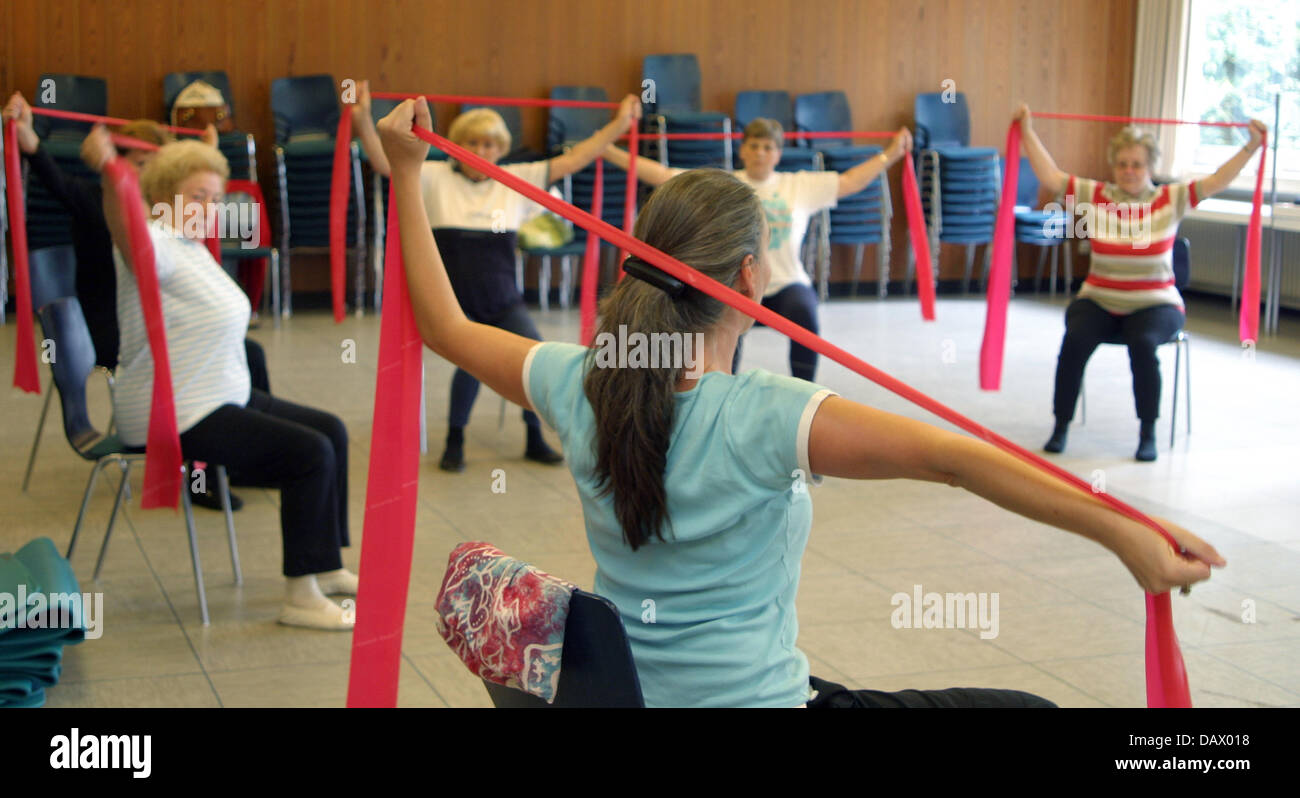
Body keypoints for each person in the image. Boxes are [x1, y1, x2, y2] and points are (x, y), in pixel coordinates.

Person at [377, 97, 1224, 707]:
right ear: (749, 280)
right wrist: (1127, 538)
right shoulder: (768, 415)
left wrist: (407, 177)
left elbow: (445, 326)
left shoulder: (577, 381)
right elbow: (959, 460)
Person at [82, 126, 356, 630]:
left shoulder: (190, 245)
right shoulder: (153, 244)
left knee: (333, 430)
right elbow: (124, 226)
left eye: (215, 198)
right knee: (309, 453)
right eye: (196, 196)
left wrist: (204, 147)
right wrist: (109, 174)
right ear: (163, 199)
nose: (209, 207)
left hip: (222, 394)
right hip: (176, 409)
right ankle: (301, 596)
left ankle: (326, 562)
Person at [351, 81, 641, 471]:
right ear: (457, 145)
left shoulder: (514, 180)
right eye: (472, 143)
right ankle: (455, 440)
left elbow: (574, 160)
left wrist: (620, 124)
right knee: (471, 365)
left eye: (489, 145)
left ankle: (534, 437)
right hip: (455, 307)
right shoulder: (433, 175)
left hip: (504, 301)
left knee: (536, 359)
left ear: (501, 150)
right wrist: (362, 118)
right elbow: (385, 162)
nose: (481, 152)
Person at [3, 92, 271, 508]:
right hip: (113, 328)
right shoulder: (104, 204)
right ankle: (205, 477)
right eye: (141, 166)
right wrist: (28, 137)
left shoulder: (165, 213)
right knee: (205, 364)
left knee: (246, 351)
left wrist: (206, 158)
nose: (147, 177)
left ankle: (241, 455)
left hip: (165, 321)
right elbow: (54, 179)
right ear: (121, 165)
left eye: (158, 168)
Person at [1014, 103, 1267, 461]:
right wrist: (1026, 131)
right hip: (1100, 298)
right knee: (1075, 340)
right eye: (1122, 164)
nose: (1129, 171)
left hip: (1156, 303)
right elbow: (1052, 177)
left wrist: (1250, 147)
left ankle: (1147, 431)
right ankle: (1060, 426)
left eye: (1137, 164)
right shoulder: (1094, 194)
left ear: (1150, 167)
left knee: (1143, 344)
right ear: (1113, 166)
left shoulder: (1172, 197)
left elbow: (1216, 181)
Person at [602, 118, 912, 381]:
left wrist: (892, 154)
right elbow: (664, 175)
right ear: (742, 149)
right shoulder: (723, 184)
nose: (760, 153)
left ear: (778, 153)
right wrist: (608, 150)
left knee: (806, 318)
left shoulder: (798, 186)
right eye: (754, 145)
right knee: (720, 328)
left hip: (785, 284)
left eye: (768, 147)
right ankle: (721, 390)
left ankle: (804, 390)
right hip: (736, 285)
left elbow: (850, 181)